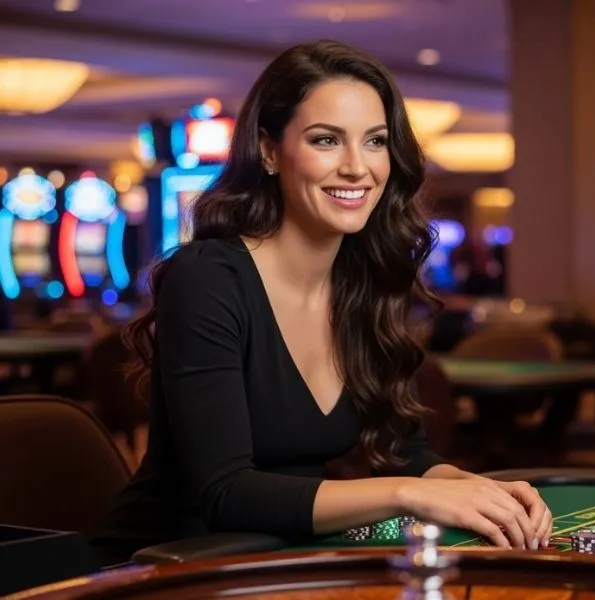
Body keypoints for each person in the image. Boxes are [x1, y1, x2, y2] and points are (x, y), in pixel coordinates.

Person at [89, 40, 551, 564]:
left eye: (375, 141)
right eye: (327, 140)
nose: (357, 167)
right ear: (268, 151)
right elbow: (225, 492)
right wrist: (411, 494)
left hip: (272, 563)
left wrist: (483, 492)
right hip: (161, 570)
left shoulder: (364, 283)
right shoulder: (209, 277)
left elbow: (406, 453)